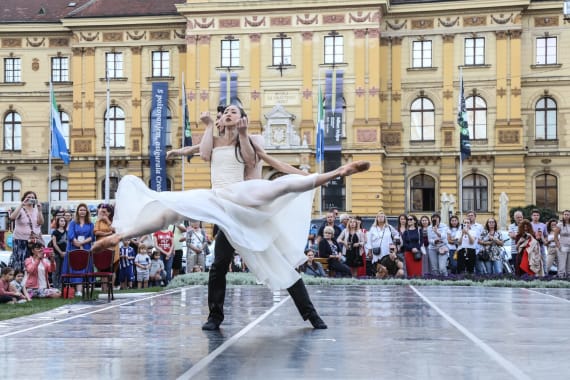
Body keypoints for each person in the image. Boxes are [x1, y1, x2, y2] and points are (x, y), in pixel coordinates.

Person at [94, 105, 370, 331]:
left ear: (242, 119)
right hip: (218, 203)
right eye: (225, 111)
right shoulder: (212, 139)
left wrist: (245, 134)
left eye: (234, 112)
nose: (228, 114)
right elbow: (202, 153)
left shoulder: (249, 139)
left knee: (282, 193)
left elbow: (253, 161)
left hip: (241, 200)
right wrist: (198, 134)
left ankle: (336, 174)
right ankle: (122, 237)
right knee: (175, 213)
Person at [63, 203, 95, 297]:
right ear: (77, 211)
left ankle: (84, 289)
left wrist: (82, 243)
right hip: (74, 248)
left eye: (84, 210)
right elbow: (70, 236)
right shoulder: (73, 223)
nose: (82, 212)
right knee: (75, 268)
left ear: (87, 212)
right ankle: (77, 290)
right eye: (80, 210)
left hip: (86, 248)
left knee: (84, 268)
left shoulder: (90, 224)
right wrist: (77, 244)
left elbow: (92, 237)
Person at [8, 191, 44, 272]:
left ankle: (33, 281)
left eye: (33, 197)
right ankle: (21, 280)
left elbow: (41, 222)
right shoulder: (21, 209)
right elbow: (12, 217)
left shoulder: (36, 210)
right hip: (21, 241)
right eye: (28, 197)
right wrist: (22, 204)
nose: (31, 199)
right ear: (24, 198)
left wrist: (40, 210)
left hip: (35, 241)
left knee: (35, 261)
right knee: (21, 262)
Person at [94, 203, 117, 292]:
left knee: (112, 268)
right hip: (101, 246)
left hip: (112, 246)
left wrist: (107, 221)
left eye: (105, 212)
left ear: (109, 213)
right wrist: (107, 234)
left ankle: (111, 288)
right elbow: (96, 232)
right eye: (101, 211)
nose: (102, 213)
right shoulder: (98, 221)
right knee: (103, 268)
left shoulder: (114, 221)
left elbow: (115, 230)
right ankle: (104, 290)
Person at [50, 215, 68, 289]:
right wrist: (60, 252)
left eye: (64, 221)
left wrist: (65, 252)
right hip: (57, 254)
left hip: (65, 254)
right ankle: (55, 286)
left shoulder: (67, 232)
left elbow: (68, 243)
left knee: (62, 271)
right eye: (61, 221)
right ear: (58, 222)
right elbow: (54, 244)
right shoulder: (55, 232)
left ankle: (61, 286)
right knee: (56, 271)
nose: (63, 222)